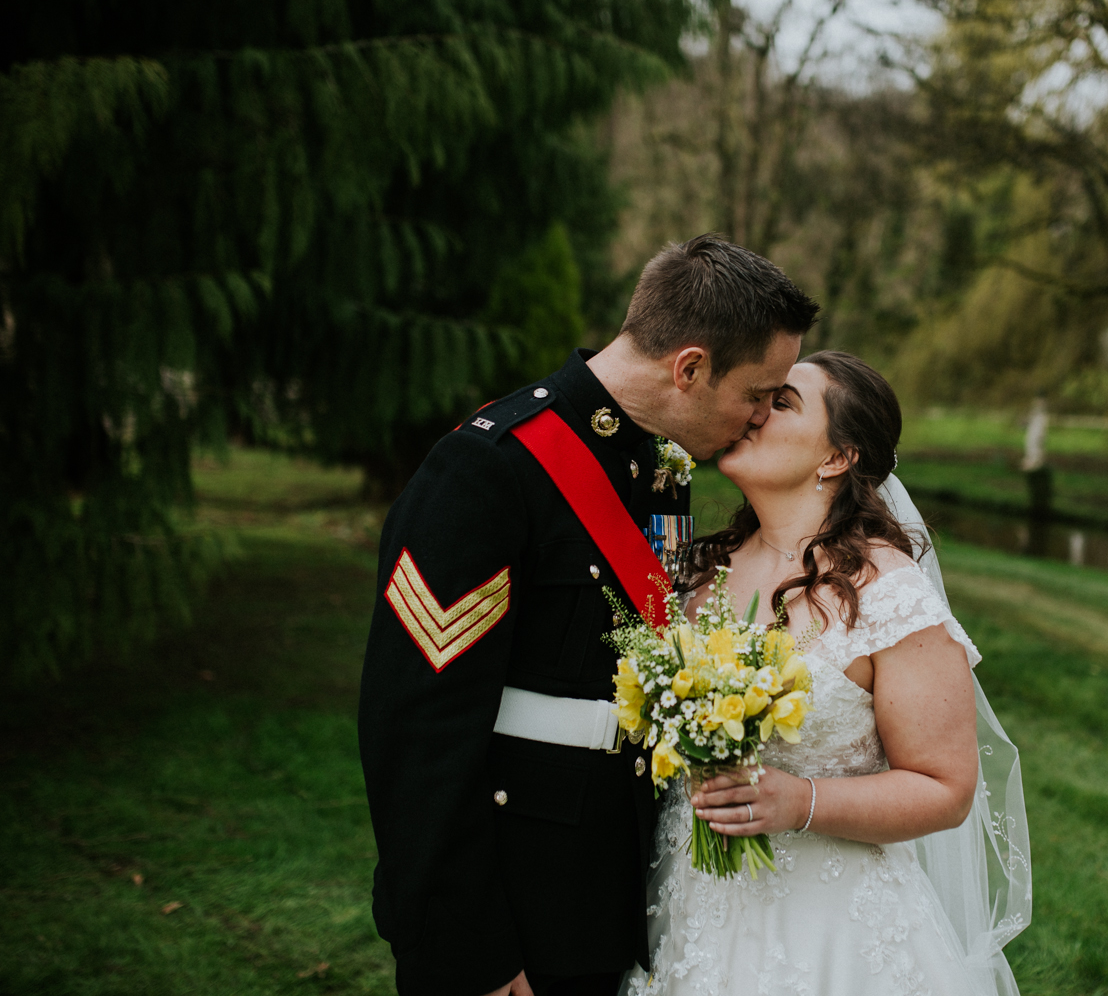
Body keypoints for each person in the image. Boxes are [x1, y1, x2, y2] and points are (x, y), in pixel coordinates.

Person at [358, 233, 819, 996]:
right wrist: (469, 943)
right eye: (758, 394)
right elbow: (416, 729)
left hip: (605, 889)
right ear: (691, 368)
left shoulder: (661, 466)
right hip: (510, 906)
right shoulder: (490, 469)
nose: (764, 416)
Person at [623, 351, 1031, 996]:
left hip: (829, 933)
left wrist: (800, 801)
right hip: (687, 906)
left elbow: (946, 787)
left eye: (781, 403)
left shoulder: (888, 596)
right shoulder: (698, 572)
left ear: (838, 458)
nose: (753, 412)